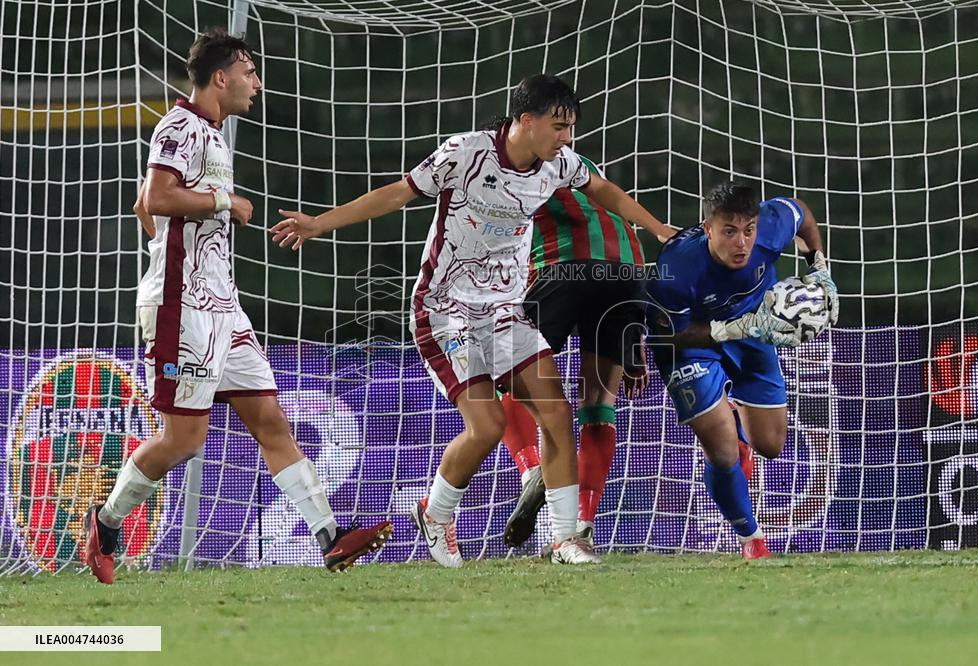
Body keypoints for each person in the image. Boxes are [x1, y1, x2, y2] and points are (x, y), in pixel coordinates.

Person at [270, 74, 672, 567]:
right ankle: (436, 514)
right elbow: (397, 193)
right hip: (445, 309)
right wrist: (318, 223)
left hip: (504, 313)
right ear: (526, 121)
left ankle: (566, 538)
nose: (568, 138)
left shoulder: (559, 164)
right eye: (559, 125)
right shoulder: (466, 152)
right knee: (487, 426)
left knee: (558, 413)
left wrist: (655, 227)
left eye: (572, 127)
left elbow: (606, 190)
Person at [84, 29, 392, 585]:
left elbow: (143, 208)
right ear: (221, 76)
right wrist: (222, 205)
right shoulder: (180, 124)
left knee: (271, 419)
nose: (256, 81)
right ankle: (105, 524)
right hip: (184, 311)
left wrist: (175, 242)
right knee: (185, 439)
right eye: (249, 71)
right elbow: (155, 199)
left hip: (224, 308)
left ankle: (329, 537)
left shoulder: (216, 135)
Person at [645, 182, 839, 560]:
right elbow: (667, 336)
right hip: (692, 343)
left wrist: (818, 267)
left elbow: (803, 213)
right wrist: (729, 330)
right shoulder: (676, 267)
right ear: (707, 229)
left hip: (755, 332)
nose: (742, 243)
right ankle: (752, 539)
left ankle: (736, 427)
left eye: (747, 230)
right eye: (729, 231)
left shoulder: (771, 225)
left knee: (771, 444)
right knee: (722, 447)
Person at [499, 153, 663, 550]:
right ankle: (583, 527)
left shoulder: (507, 166)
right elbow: (616, 218)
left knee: (501, 377)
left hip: (562, 267)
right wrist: (635, 348)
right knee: (598, 405)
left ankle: (534, 471)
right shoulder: (584, 166)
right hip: (629, 273)